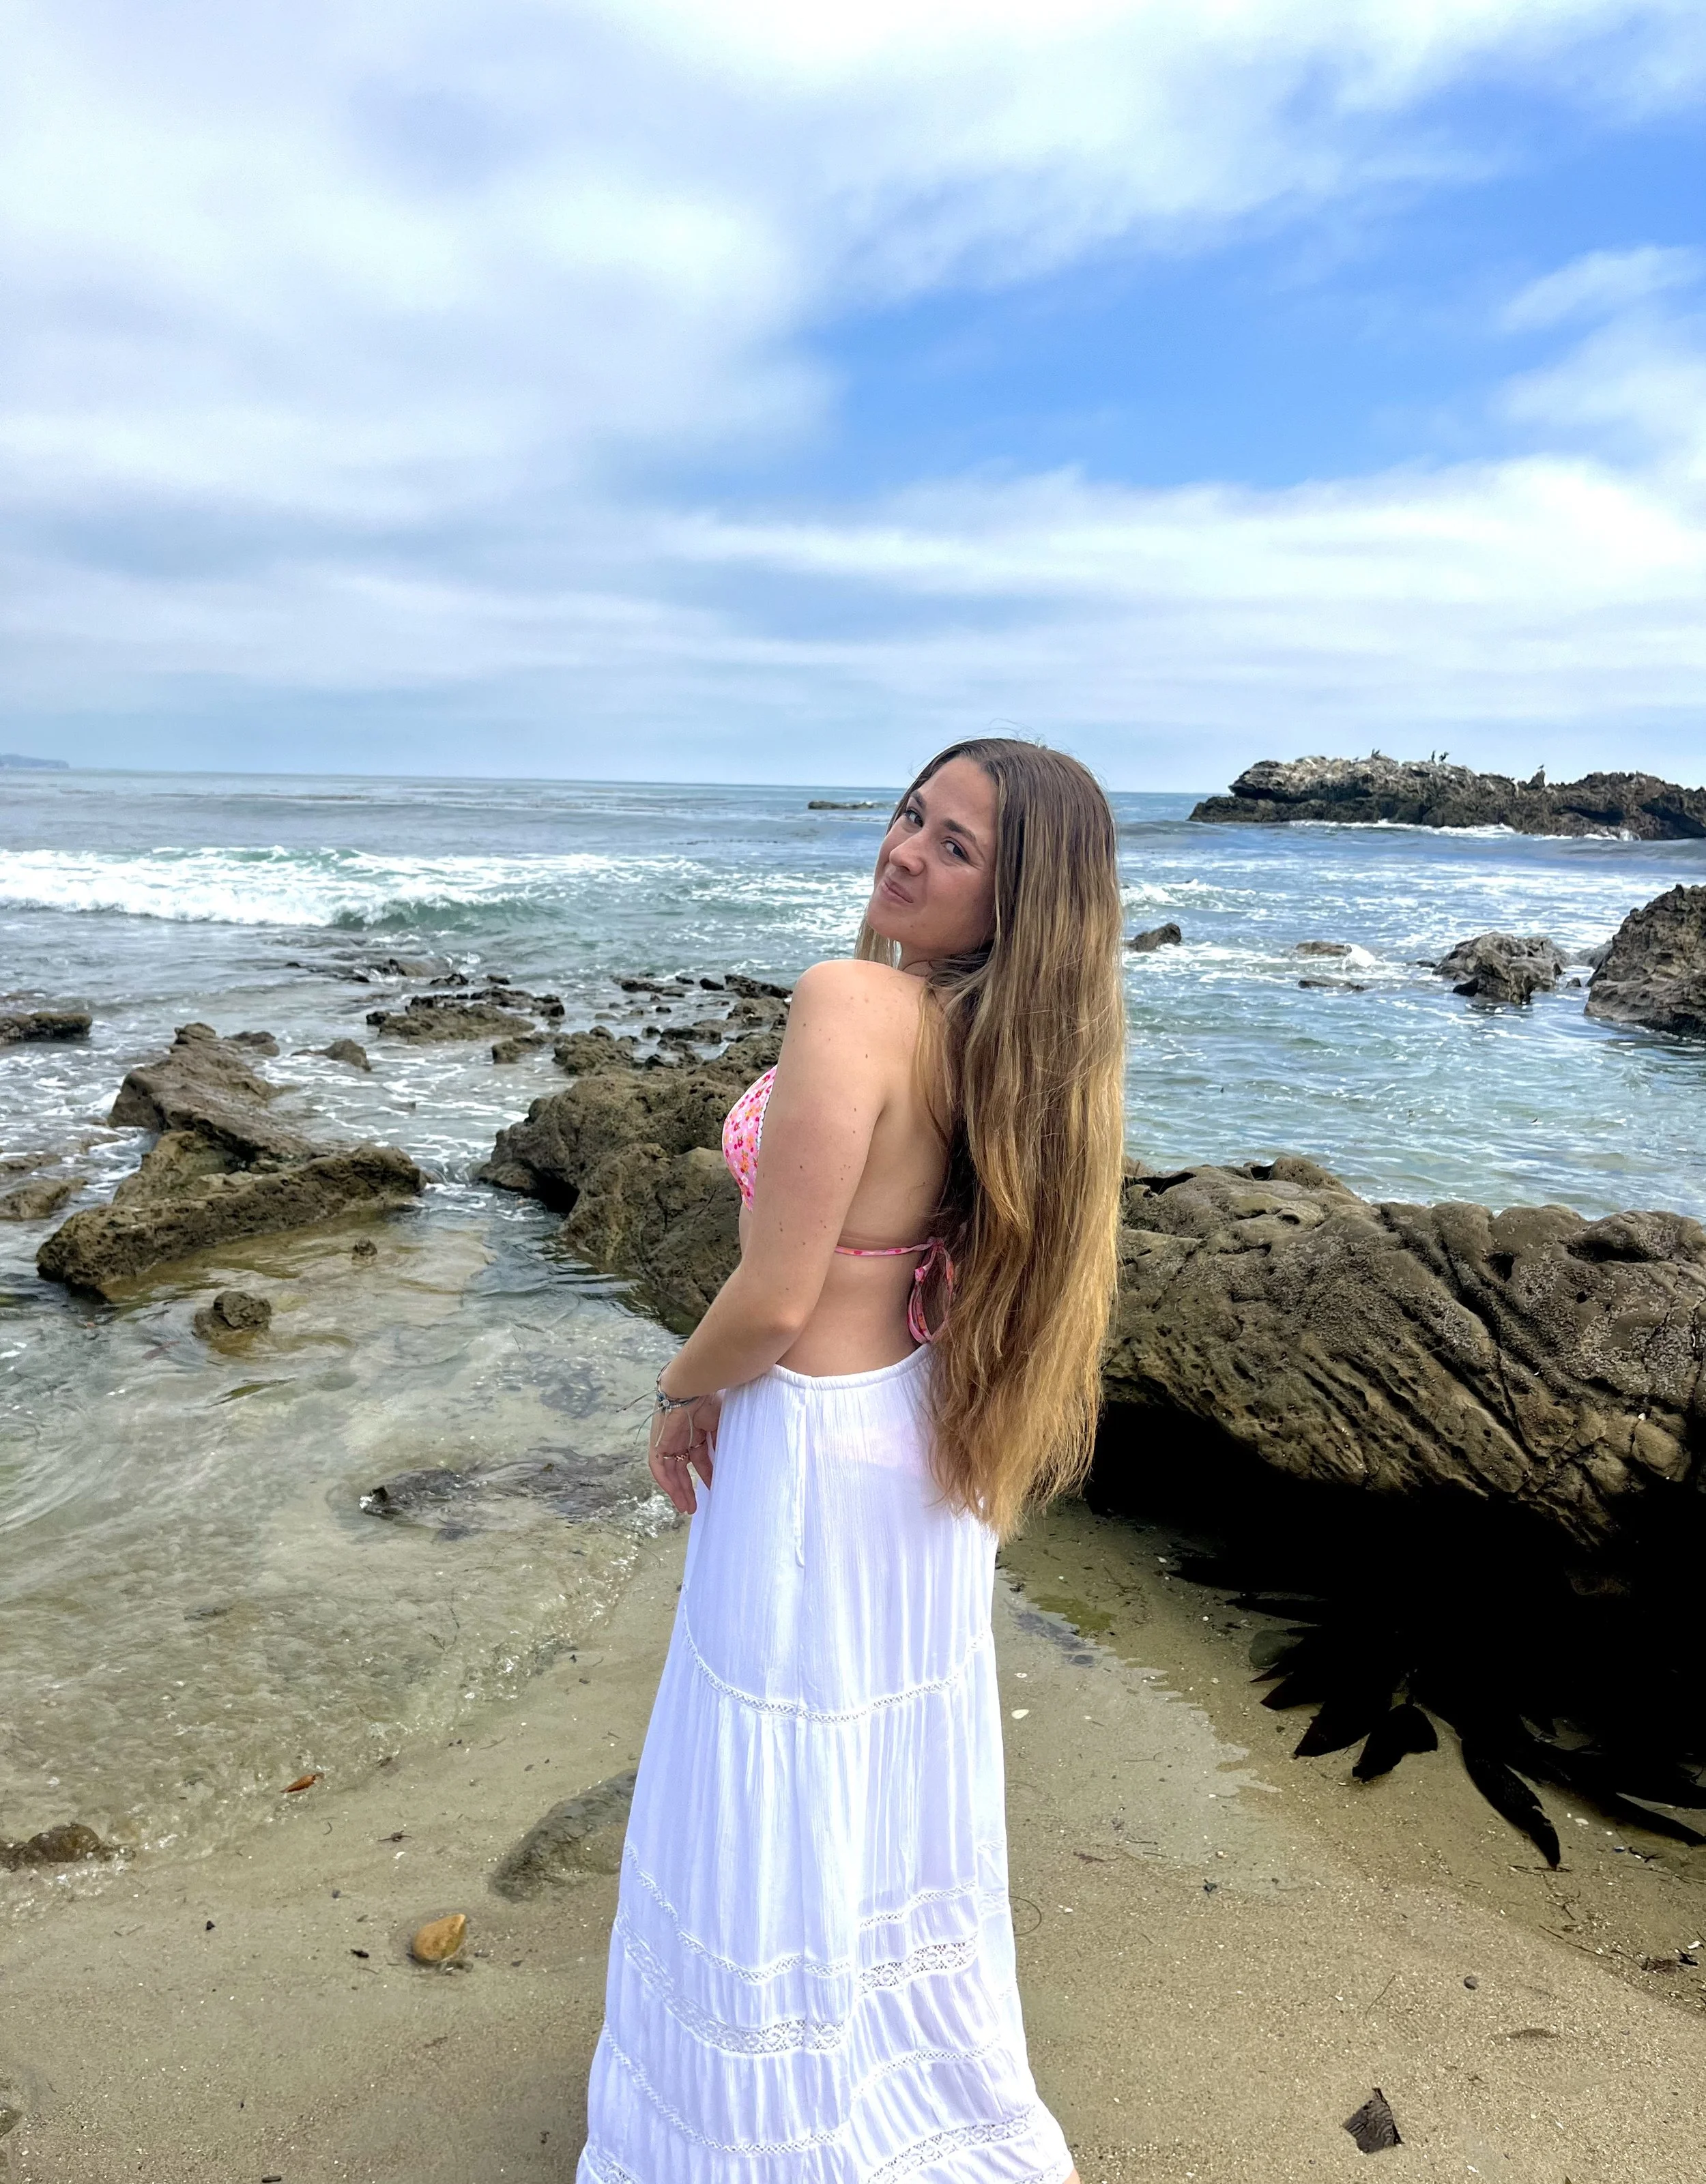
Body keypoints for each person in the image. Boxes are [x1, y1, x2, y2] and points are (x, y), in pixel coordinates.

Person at [577, 738, 1127, 2184]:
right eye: (911, 813)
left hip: (812, 1454)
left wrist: (676, 1387)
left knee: (768, 1788)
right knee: (879, 1784)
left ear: (1016, 902)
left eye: (956, 848)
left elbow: (767, 1298)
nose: (904, 850)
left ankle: (766, 2139)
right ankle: (885, 2089)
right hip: (920, 1435)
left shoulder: (851, 1001)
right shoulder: (1012, 1046)